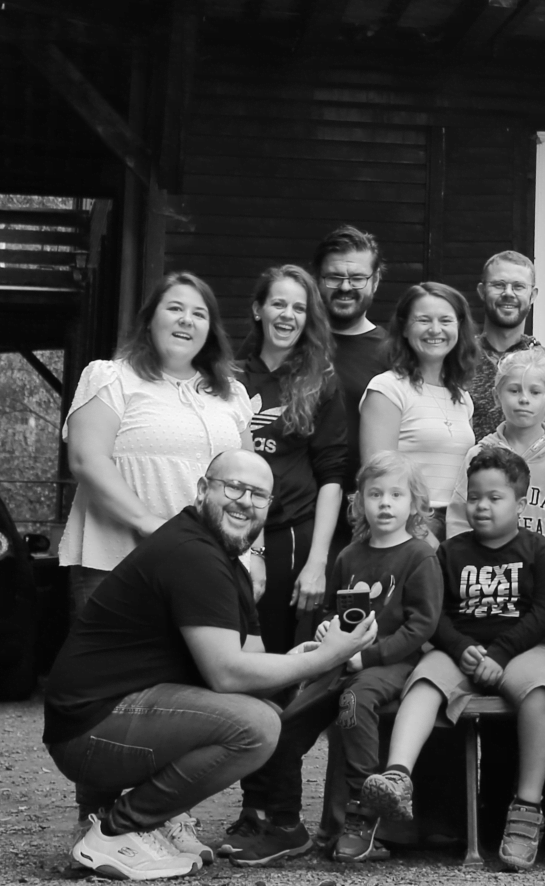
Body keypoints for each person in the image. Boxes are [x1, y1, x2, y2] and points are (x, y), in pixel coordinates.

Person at [44, 451, 376, 883]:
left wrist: (304, 660)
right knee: (256, 727)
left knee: (264, 715)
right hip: (89, 730)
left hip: (114, 718)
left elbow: (251, 663)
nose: (245, 501)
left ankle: (146, 822)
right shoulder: (191, 554)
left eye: (258, 495)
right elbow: (228, 675)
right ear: (203, 490)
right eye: (233, 487)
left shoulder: (225, 562)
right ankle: (116, 830)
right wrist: (328, 656)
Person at [362, 444, 545, 871]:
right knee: (422, 683)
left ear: (520, 502)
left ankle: (526, 808)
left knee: (542, 695)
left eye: (495, 497)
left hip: (520, 649)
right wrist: (459, 649)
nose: (482, 506)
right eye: (474, 497)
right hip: (460, 650)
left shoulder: (539, 550)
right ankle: (398, 776)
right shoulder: (450, 552)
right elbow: (432, 613)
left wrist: (502, 652)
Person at [224, 264, 351, 863]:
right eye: (277, 303)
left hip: (294, 541)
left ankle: (284, 816)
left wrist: (318, 561)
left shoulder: (320, 379)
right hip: (231, 539)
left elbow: (333, 476)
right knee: (239, 669)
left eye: (298, 308)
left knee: (281, 674)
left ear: (308, 317)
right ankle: (253, 810)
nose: (287, 315)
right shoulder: (226, 377)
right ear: (258, 309)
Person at [262, 452, 443, 864]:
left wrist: (370, 658)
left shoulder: (419, 556)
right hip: (340, 661)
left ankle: (365, 812)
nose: (384, 503)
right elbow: (333, 611)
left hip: (391, 664)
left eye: (396, 494)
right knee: (285, 725)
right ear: (358, 501)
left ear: (414, 504)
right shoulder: (350, 556)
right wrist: (328, 630)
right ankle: (285, 823)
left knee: (354, 701)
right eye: (374, 494)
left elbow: (422, 627)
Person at [60, 273, 254, 614]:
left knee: (205, 668)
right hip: (120, 563)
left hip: (215, 568)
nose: (186, 319)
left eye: (199, 313)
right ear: (149, 320)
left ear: (210, 330)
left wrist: (256, 554)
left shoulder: (232, 394)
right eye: (175, 308)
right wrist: (150, 523)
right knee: (119, 667)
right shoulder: (112, 378)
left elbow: (252, 485)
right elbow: (86, 459)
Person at [360, 280, 480, 538]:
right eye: (423, 320)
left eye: (446, 320)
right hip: (408, 526)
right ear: (404, 328)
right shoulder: (387, 389)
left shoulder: (462, 397)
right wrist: (423, 536)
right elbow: (379, 480)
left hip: (460, 525)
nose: (435, 330)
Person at [448, 346, 545, 542]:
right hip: (491, 568)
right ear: (497, 396)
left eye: (535, 392)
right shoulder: (479, 455)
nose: (524, 399)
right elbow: (459, 518)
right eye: (514, 390)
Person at [313, 226, 392, 486]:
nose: (345, 287)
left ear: (376, 280)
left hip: (364, 505)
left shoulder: (393, 352)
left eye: (357, 278)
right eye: (334, 277)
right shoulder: (285, 341)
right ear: (317, 279)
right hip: (288, 506)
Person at [470, 252, 545, 441]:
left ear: (533, 295)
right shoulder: (457, 358)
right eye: (498, 285)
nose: (508, 293)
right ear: (482, 291)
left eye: (518, 286)